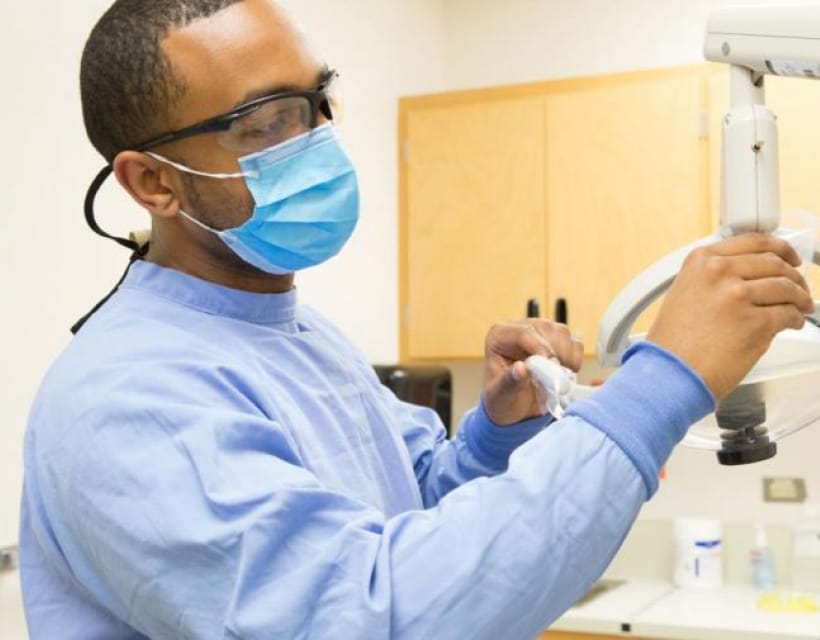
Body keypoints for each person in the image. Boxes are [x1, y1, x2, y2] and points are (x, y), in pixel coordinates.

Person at [19, 1, 814, 638]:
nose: (318, 142)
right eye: (267, 123)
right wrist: (665, 379)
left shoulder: (297, 336)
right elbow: (376, 615)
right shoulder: (128, 398)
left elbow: (412, 512)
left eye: (317, 102)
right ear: (153, 183)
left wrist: (492, 436)